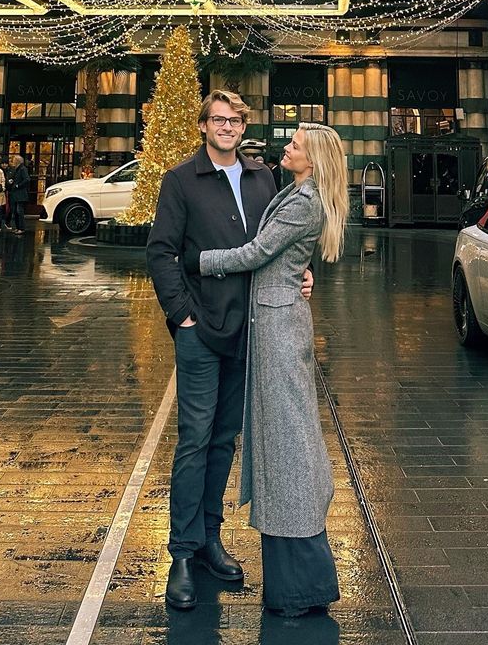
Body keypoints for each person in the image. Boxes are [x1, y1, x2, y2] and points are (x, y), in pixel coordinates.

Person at [147, 90, 314, 611]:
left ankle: (210, 540)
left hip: (251, 332)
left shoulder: (264, 178)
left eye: (234, 120)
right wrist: (182, 316)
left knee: (224, 440)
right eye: (217, 119)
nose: (226, 127)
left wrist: (304, 274)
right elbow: (161, 252)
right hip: (201, 331)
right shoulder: (181, 180)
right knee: (194, 440)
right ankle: (181, 552)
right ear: (203, 126)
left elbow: (279, 243)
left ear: (243, 127)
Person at [194, 123, 349, 618]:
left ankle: (301, 579)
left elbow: (257, 253)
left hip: (280, 329)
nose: (287, 147)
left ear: (314, 159)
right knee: (282, 438)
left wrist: (198, 261)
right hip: (275, 318)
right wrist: (299, 275)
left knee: (289, 437)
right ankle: (295, 577)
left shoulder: (304, 202)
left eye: (296, 145)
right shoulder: (296, 193)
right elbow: (279, 257)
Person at [6, 154, 29, 234]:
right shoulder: (16, 169)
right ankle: (18, 227)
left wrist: (18, 185)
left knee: (19, 211)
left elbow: (26, 179)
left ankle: (21, 228)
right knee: (15, 211)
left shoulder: (22, 169)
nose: (12, 162)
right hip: (15, 194)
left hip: (20, 194)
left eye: (14, 160)